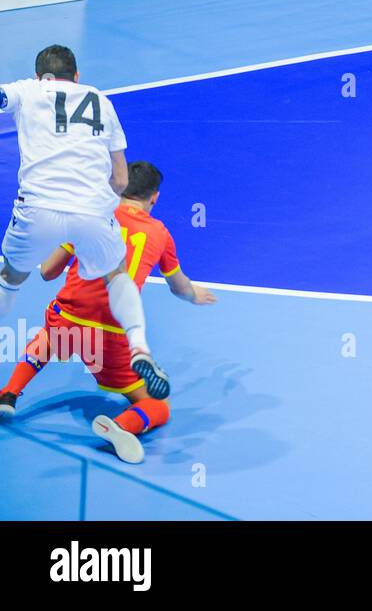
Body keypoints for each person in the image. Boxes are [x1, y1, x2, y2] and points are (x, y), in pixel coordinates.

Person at [0, 161, 216, 463]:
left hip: (69, 316)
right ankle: (120, 425)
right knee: (159, 405)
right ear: (154, 197)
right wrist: (195, 296)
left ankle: (9, 393)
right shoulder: (160, 234)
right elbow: (179, 288)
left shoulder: (92, 217)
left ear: (119, 184)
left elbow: (48, 271)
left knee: (50, 338)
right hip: (112, 336)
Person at [0, 46, 169, 397]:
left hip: (37, 209)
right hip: (91, 209)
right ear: (76, 76)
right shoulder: (99, 101)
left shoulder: (26, 90)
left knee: (10, 278)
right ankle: (139, 346)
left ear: (40, 77)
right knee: (117, 275)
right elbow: (121, 181)